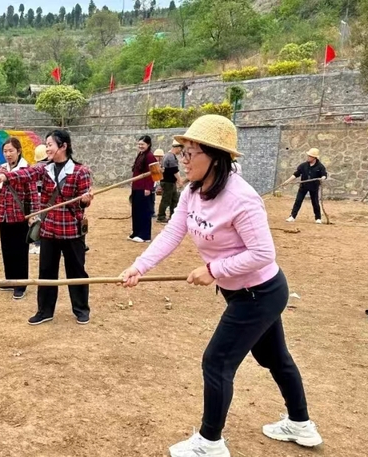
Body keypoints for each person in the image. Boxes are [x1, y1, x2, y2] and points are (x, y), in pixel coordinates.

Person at [120, 115, 322, 457]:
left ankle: (210, 442)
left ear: (215, 156)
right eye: (182, 152)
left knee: (216, 362)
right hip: (245, 292)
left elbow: (262, 253)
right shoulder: (193, 191)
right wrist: (140, 266)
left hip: (259, 293)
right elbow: (173, 232)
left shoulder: (242, 198)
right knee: (274, 356)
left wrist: (214, 268)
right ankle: (301, 424)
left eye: (189, 153)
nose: (182, 160)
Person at [0, 130, 93, 325]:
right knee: (46, 271)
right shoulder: (43, 169)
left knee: (76, 270)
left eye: (50, 144)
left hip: (72, 230)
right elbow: (25, 173)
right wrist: (4, 178)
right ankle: (44, 311)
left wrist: (85, 201)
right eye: (46, 145)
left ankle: (81, 309)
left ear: (63, 146)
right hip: (49, 230)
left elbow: (83, 202)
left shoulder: (81, 171)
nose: (47, 148)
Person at [0, 138, 39, 300]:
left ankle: (20, 284)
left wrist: (33, 214)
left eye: (11, 151)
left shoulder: (26, 169)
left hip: (20, 215)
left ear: (18, 151)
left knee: (20, 251)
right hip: (4, 214)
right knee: (7, 249)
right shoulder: (0, 169)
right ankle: (10, 280)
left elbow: (32, 194)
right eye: (5, 151)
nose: (8, 154)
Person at [282, 148, 328, 224]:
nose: (308, 157)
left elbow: (324, 175)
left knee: (315, 202)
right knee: (298, 201)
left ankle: (318, 218)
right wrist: (287, 181)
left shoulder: (320, 167)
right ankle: (292, 216)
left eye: (310, 156)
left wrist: (322, 178)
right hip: (304, 186)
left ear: (314, 158)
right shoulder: (303, 165)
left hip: (314, 187)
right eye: (308, 156)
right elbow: (296, 174)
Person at [128, 135, 157, 243]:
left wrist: (148, 188)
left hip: (144, 188)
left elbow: (154, 173)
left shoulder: (150, 156)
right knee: (136, 210)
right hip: (136, 186)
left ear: (148, 145)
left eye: (142, 144)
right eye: (139, 144)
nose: (140, 146)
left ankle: (145, 235)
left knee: (144, 211)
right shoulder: (140, 155)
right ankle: (136, 232)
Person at [29, 144, 50, 255]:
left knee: (37, 221)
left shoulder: (34, 167)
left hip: (36, 198)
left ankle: (37, 243)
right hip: (48, 199)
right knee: (47, 221)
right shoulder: (51, 167)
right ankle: (42, 243)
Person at [157, 140, 184, 223]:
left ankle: (173, 216)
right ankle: (161, 216)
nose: (181, 151)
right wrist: (180, 181)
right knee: (166, 199)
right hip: (168, 182)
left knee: (174, 199)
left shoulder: (168, 155)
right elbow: (174, 170)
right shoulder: (170, 156)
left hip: (169, 181)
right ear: (178, 147)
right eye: (181, 149)